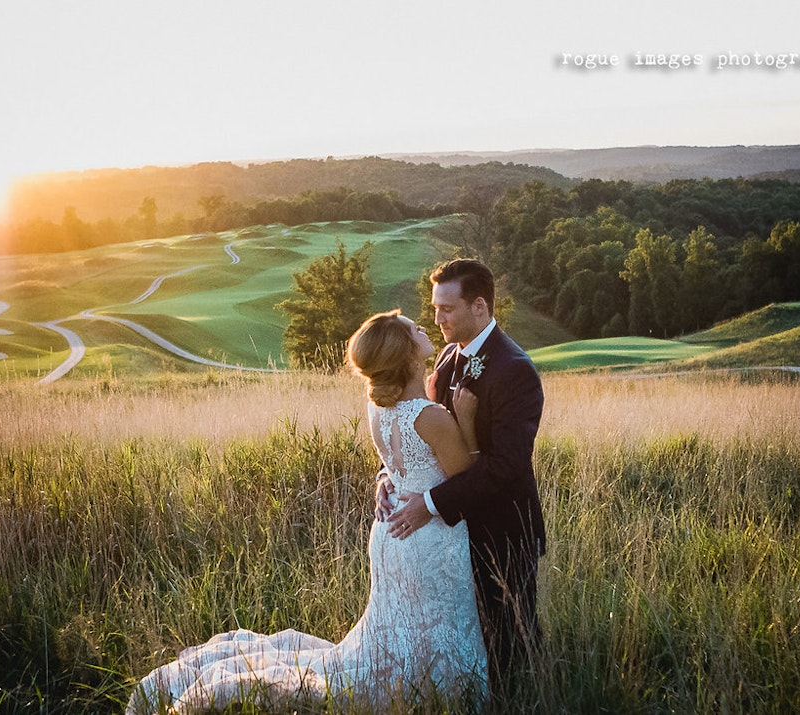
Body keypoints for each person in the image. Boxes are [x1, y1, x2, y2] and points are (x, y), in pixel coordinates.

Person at [126, 310, 488, 714]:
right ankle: (446, 697)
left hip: (390, 535)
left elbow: (396, 465)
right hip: (427, 538)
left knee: (401, 629)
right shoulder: (432, 417)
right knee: (436, 625)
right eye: (413, 330)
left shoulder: (379, 410)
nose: (423, 327)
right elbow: (466, 478)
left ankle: (416, 693)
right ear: (405, 353)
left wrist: (383, 480)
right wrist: (469, 422)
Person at [377, 258, 546, 692]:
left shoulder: (515, 370)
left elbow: (506, 466)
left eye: (447, 309)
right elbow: (423, 438)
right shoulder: (451, 355)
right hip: (453, 535)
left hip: (503, 527)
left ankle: (528, 698)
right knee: (469, 633)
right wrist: (389, 477)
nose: (437, 319)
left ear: (480, 307)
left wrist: (430, 504)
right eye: (434, 308)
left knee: (513, 636)